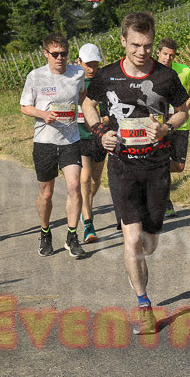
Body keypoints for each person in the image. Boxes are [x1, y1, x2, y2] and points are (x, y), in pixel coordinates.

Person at [82, 12, 189, 335]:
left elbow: (183, 110)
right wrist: (101, 132)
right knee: (131, 239)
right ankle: (144, 305)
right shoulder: (107, 76)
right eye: (136, 45)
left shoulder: (166, 77)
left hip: (156, 165)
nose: (142, 52)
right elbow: (88, 104)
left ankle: (141, 276)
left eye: (148, 45)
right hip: (123, 165)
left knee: (149, 244)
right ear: (123, 42)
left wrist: (167, 127)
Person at [19, 33, 87, 259]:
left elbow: (83, 96)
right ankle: (45, 232)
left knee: (74, 186)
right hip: (45, 142)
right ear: (46, 53)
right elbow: (24, 107)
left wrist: (88, 115)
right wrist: (42, 114)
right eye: (55, 54)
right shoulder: (36, 76)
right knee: (46, 194)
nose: (60, 58)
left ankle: (72, 236)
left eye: (64, 54)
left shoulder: (77, 73)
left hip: (70, 140)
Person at [155, 38, 190, 213]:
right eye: (165, 54)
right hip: (160, 126)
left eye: (171, 55)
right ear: (158, 53)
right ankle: (166, 201)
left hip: (181, 125)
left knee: (179, 166)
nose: (167, 58)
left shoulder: (184, 71)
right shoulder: (151, 72)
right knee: (163, 161)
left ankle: (157, 169)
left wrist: (185, 107)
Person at [76, 43, 108, 243]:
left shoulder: (103, 81)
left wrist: (105, 119)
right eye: (88, 64)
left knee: (96, 180)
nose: (91, 69)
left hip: (100, 136)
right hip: (79, 136)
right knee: (85, 178)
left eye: (95, 64)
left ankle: (85, 206)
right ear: (79, 62)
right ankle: (88, 224)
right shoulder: (72, 81)